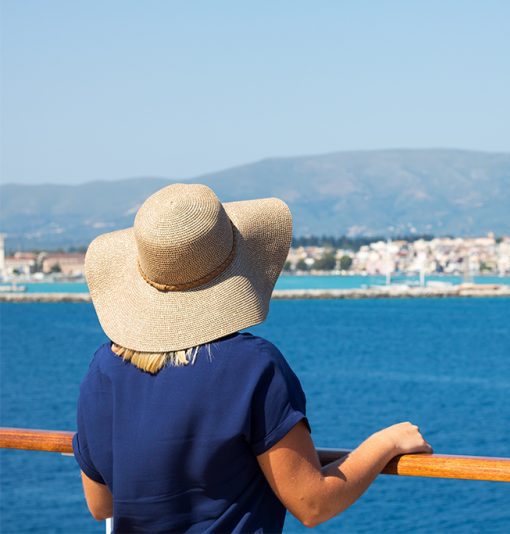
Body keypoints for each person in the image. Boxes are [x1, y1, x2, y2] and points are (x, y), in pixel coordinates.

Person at [73, 183, 432, 532]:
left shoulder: (103, 371)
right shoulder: (252, 367)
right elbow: (313, 504)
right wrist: (387, 443)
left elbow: (101, 504)